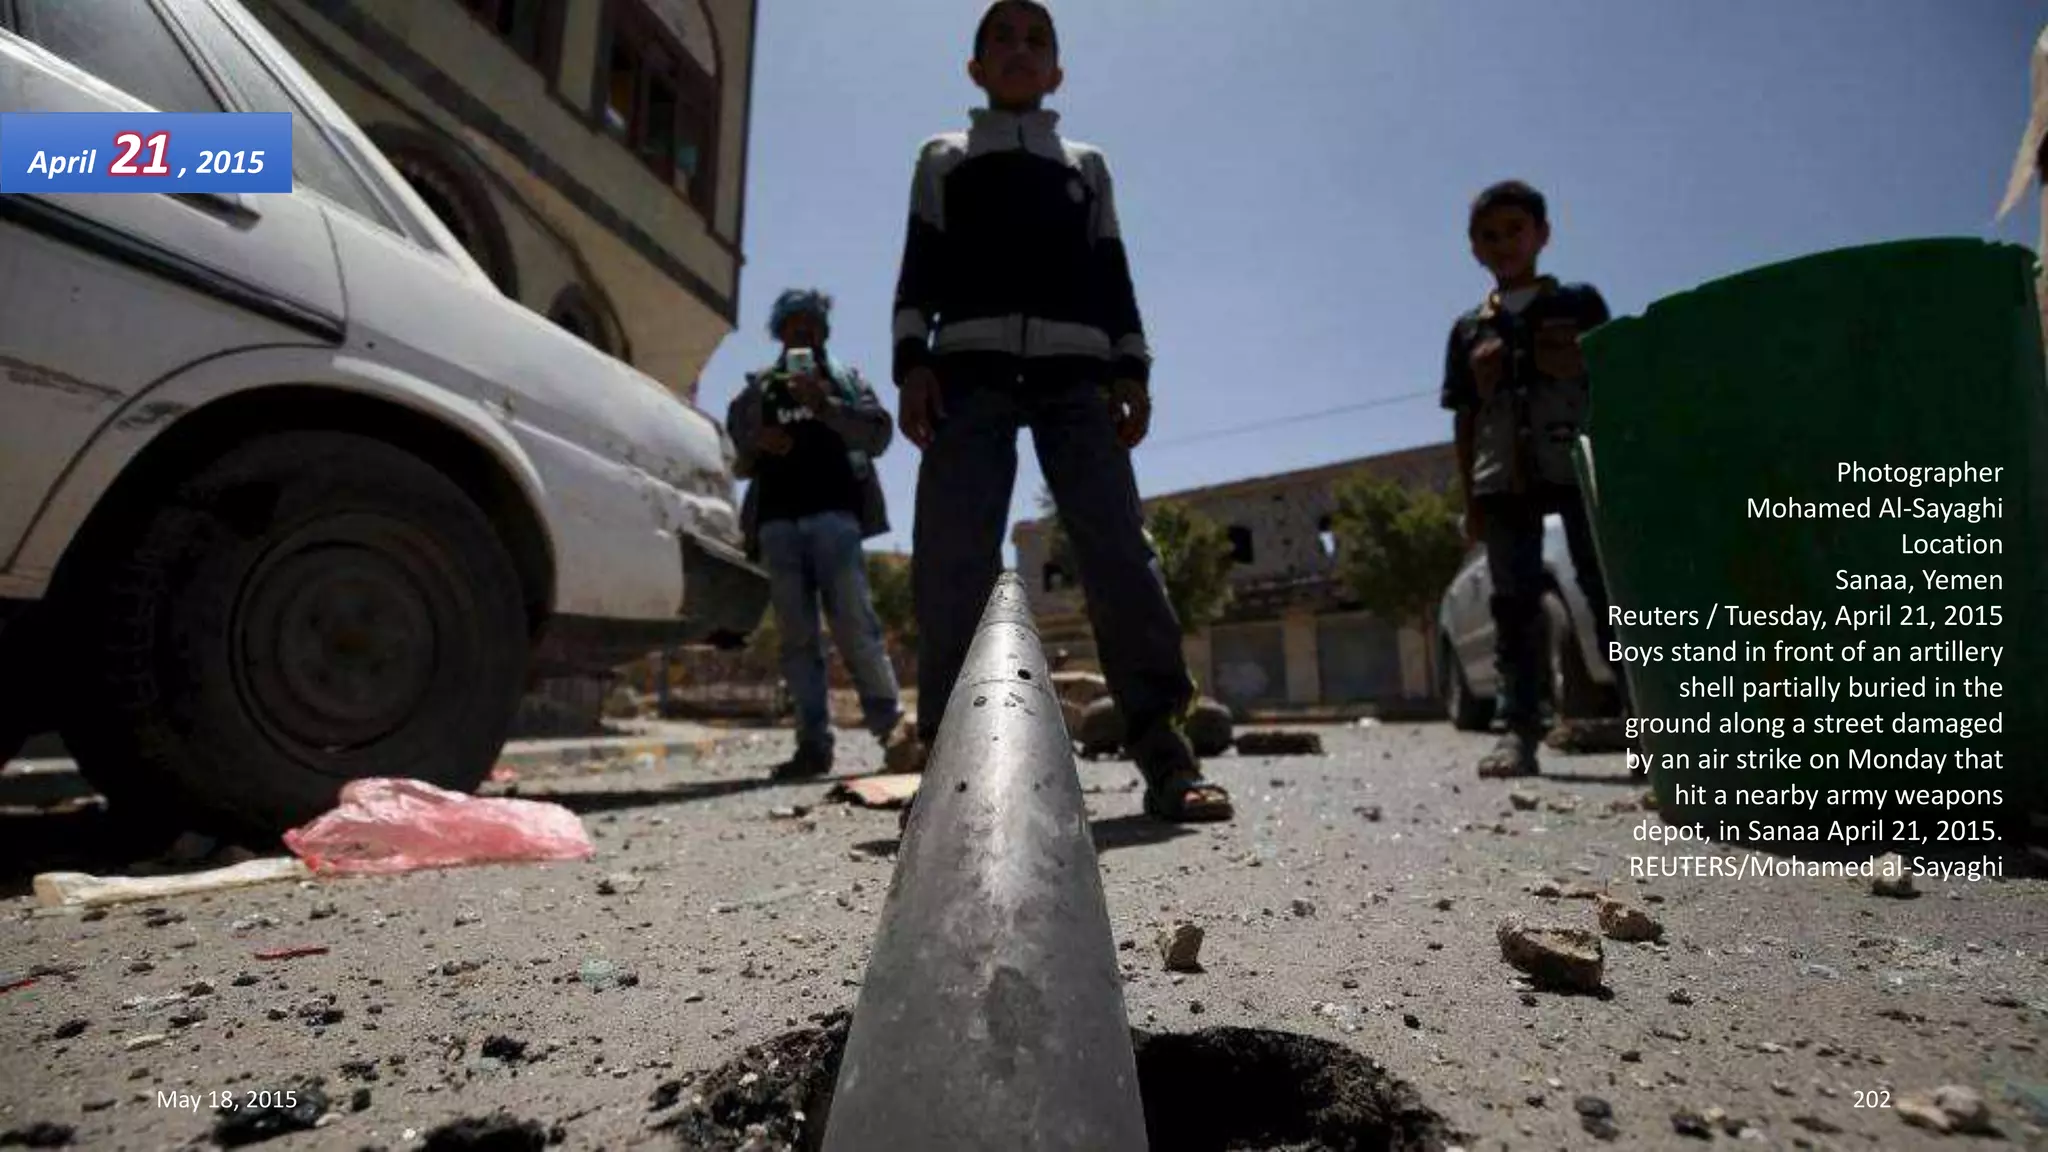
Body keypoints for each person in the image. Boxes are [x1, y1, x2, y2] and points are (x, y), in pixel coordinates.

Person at [889, 0, 1232, 822]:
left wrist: (1132, 366)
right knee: (952, 555)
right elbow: (919, 267)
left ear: (1058, 72)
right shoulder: (944, 157)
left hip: (1076, 377)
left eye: (1037, 39)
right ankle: (949, 771)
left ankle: (1165, 751)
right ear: (975, 68)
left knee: (1119, 550)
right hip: (968, 373)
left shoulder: (1087, 166)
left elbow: (1113, 272)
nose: (1020, 49)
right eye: (1002, 38)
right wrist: (911, 364)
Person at [1441, 180, 1621, 778]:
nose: (1504, 244)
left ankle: (1648, 723)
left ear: (1542, 234)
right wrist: (1470, 499)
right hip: (1502, 481)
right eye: (1490, 236)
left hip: (1574, 468)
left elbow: (1610, 386)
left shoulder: (1579, 305)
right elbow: (1465, 420)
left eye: (1516, 230)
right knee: (1512, 605)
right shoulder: (1469, 329)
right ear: (1475, 249)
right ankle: (1517, 731)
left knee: (1604, 590)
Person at [727, 288, 910, 778]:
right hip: (777, 523)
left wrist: (825, 404)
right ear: (780, 333)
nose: (802, 332)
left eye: (811, 325)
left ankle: (893, 731)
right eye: (793, 325)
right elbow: (736, 448)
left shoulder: (846, 381)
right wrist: (757, 442)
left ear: (823, 333)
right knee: (797, 639)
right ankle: (812, 745)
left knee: (855, 623)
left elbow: (878, 434)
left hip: (836, 517)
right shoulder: (759, 388)